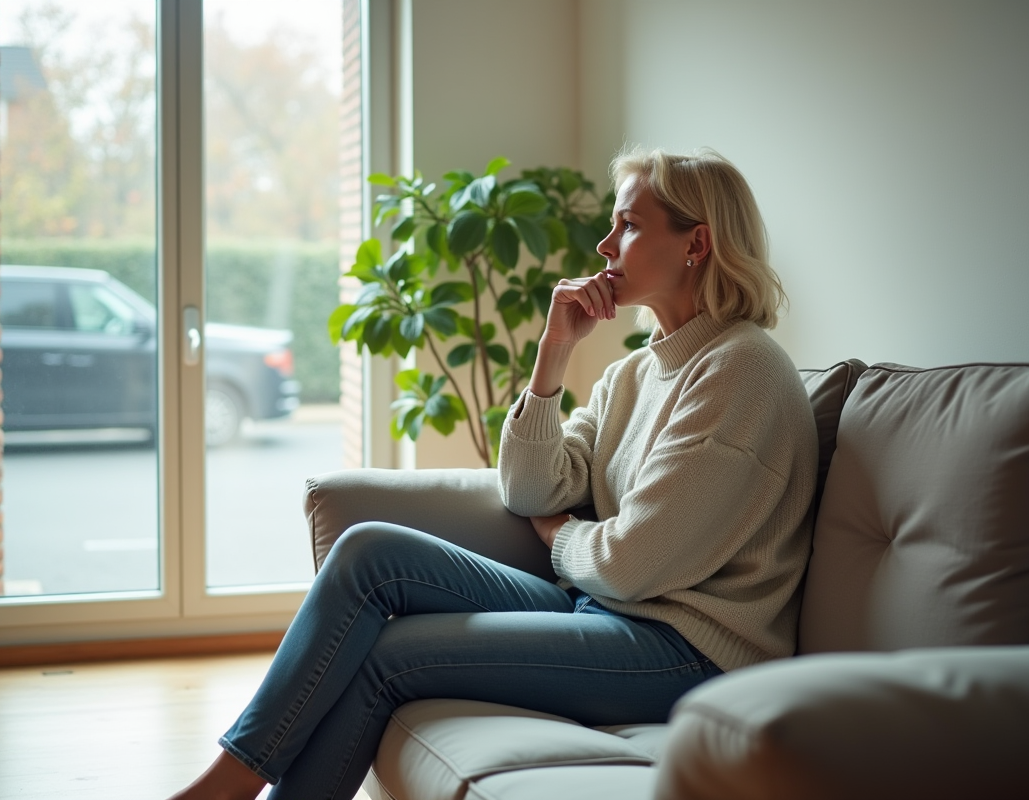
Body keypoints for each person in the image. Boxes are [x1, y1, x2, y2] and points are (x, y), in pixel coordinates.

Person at [167, 148, 819, 800]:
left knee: (389, 659)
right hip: (604, 611)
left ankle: (224, 789)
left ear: (696, 244)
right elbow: (528, 490)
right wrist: (554, 351)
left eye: (628, 225)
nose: (604, 242)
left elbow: (630, 563)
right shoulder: (635, 374)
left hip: (688, 653)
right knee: (369, 551)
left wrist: (561, 537)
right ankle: (233, 777)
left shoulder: (741, 370)